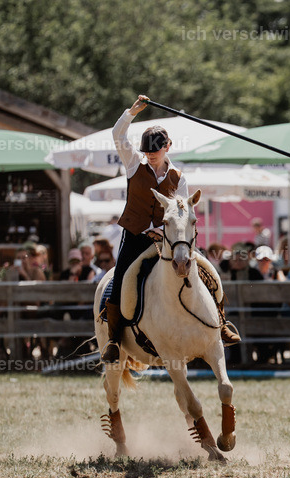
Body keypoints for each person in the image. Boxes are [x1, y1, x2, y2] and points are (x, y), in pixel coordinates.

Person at [100, 94, 239, 363]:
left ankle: (221, 323)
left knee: (208, 272)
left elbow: (182, 214)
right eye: (147, 151)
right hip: (136, 237)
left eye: (155, 151)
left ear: (168, 147)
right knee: (119, 282)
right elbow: (118, 135)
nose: (150, 155)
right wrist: (132, 112)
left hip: (169, 241)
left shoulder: (179, 178)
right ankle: (114, 340)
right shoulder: (133, 164)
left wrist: (164, 232)